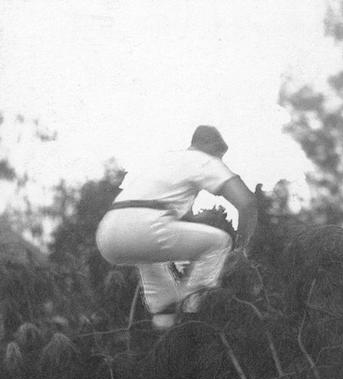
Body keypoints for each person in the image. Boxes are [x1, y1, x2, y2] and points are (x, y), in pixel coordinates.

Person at [96, 125, 258, 330]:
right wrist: (241, 249)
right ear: (210, 146)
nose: (221, 161)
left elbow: (169, 211)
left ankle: (165, 329)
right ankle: (195, 311)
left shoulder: (167, 161)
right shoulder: (204, 159)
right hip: (145, 228)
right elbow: (247, 203)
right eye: (220, 155)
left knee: (160, 285)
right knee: (220, 243)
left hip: (109, 232)